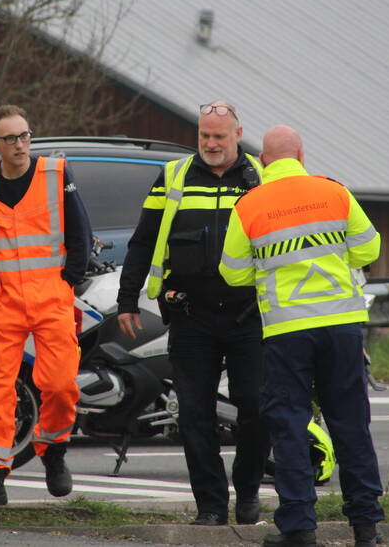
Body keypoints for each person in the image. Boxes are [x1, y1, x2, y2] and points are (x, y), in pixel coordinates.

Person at [219, 125, 385, 547]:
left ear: (265, 162)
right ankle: (366, 527)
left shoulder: (250, 205)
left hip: (287, 331)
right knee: (351, 423)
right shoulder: (335, 192)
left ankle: (299, 528)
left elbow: (232, 271)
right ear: (301, 155)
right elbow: (369, 250)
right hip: (341, 327)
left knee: (290, 426)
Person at [116, 101, 266, 526]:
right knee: (194, 414)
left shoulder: (262, 179)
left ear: (238, 134)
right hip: (191, 316)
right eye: (204, 135)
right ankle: (211, 506)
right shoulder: (173, 176)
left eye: (219, 136)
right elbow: (143, 241)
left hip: (249, 315)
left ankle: (249, 488)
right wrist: (128, 300)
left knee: (256, 406)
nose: (211, 144)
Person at [0, 105, 92, 508]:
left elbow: (80, 233)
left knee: (61, 384)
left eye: (25, 136)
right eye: (11, 138)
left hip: (51, 295)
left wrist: (67, 280)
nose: (20, 145)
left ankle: (52, 449)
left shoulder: (55, 174)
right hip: (5, 298)